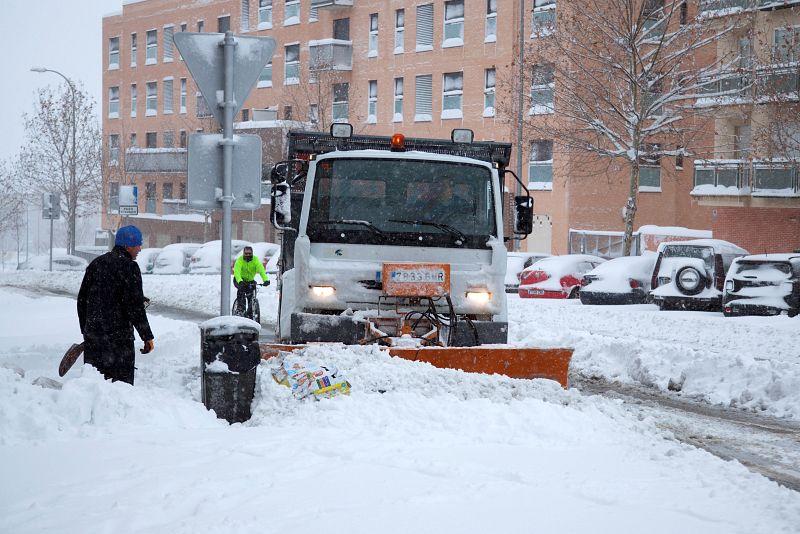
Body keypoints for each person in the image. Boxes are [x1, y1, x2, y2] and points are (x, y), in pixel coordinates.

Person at [77, 225, 154, 385]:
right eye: (137, 245)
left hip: (94, 341)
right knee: (120, 390)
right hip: (119, 343)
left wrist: (87, 330)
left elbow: (82, 301)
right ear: (127, 245)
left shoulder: (96, 264)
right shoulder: (130, 268)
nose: (140, 249)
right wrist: (146, 336)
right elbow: (134, 306)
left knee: (93, 387)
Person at [233, 246, 270, 311]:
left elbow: (261, 270)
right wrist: (240, 281)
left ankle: (250, 311)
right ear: (243, 253)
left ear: (252, 253)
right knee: (241, 292)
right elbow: (237, 271)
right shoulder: (240, 260)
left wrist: (266, 280)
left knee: (251, 297)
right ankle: (240, 309)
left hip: (250, 281)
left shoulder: (255, 260)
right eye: (246, 254)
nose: (248, 255)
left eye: (249, 254)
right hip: (239, 280)